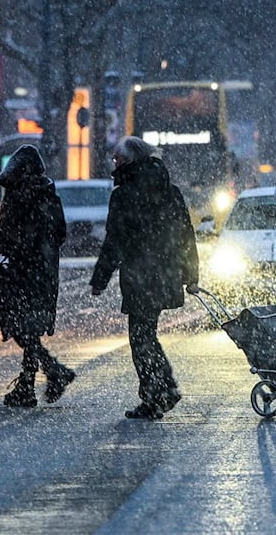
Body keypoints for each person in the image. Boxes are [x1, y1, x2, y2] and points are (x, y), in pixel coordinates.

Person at [90, 136, 199, 419]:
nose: (113, 164)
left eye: (116, 159)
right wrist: (190, 273)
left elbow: (114, 240)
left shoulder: (124, 195)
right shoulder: (169, 190)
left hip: (140, 277)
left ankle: (159, 392)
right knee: (145, 335)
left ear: (128, 161)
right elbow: (186, 234)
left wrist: (100, 277)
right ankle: (159, 392)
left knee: (141, 338)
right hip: (165, 274)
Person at [0, 145, 75, 407]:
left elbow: (10, 236)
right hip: (44, 273)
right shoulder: (48, 195)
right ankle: (36, 379)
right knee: (28, 328)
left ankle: (43, 376)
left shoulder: (18, 197)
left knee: (20, 327)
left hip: (21, 273)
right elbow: (59, 234)